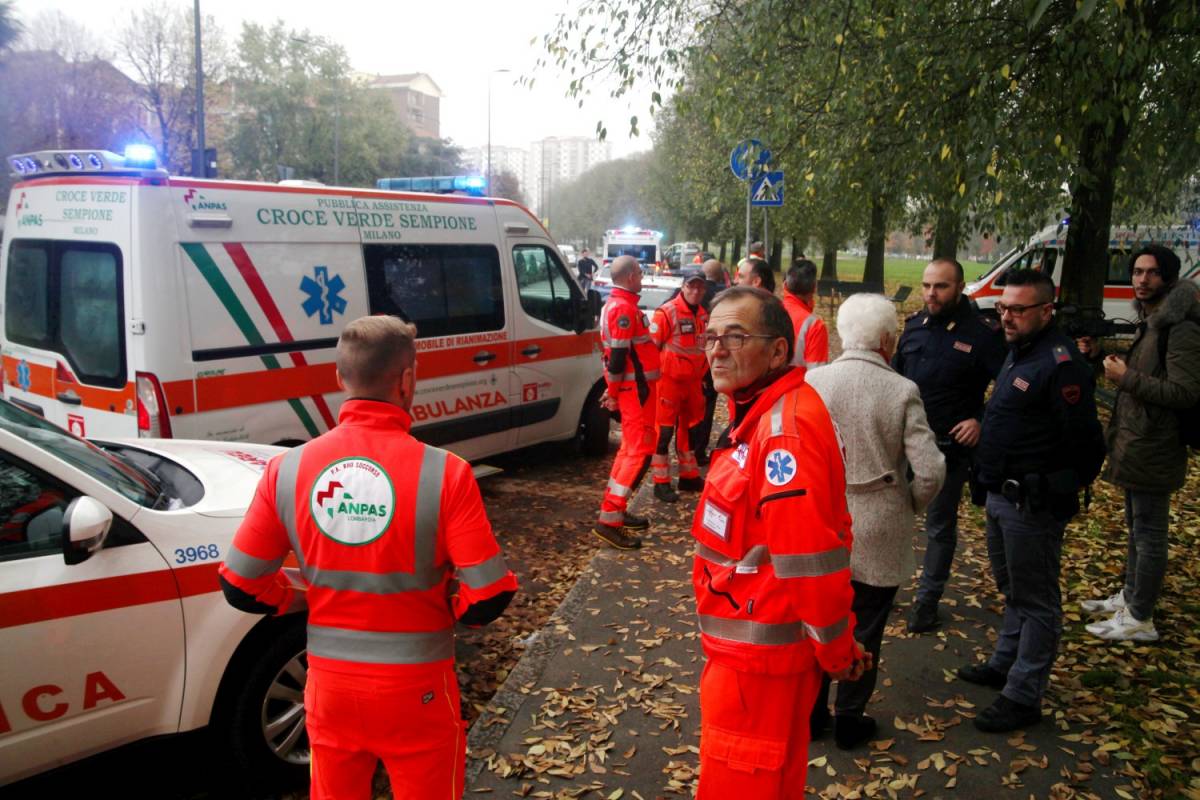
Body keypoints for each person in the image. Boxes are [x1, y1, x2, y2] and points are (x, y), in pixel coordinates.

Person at [217, 315, 518, 799]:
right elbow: (489, 596)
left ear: (340, 379)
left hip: (330, 687)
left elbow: (239, 584)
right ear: (407, 380)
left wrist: (294, 599)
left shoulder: (287, 470)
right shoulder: (447, 474)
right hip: (416, 690)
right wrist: (446, 607)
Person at [691, 285, 871, 798]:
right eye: (711, 337)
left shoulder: (782, 430)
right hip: (748, 654)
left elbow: (808, 560)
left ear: (777, 351)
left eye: (735, 336)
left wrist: (837, 654)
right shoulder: (759, 413)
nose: (717, 349)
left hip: (759, 667)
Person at [959, 270, 1105, 733]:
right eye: (1003, 308)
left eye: (1018, 310)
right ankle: (1005, 662)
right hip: (1003, 495)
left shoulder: (1061, 364)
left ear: (1047, 310)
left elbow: (1086, 444)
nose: (1007, 317)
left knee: (1037, 600)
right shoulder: (1019, 352)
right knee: (1014, 590)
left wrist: (1058, 490)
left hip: (1033, 503)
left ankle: (1024, 694)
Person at [806, 294, 946, 750]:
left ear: (844, 333)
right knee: (866, 625)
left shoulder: (813, 382)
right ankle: (850, 716)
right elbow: (930, 470)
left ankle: (809, 715)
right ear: (888, 339)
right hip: (880, 521)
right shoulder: (902, 390)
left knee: (816, 619)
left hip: (821, 521)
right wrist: (906, 503)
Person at [1084, 246, 1200, 642]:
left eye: (1151, 273)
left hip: (1157, 445)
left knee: (1149, 534)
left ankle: (1140, 617)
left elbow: (1186, 392)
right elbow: (1147, 368)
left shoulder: (1179, 326)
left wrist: (1125, 378)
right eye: (1136, 272)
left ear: (1168, 278)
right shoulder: (1152, 320)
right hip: (1137, 441)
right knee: (1136, 528)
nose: (1141, 280)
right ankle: (1131, 598)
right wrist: (1103, 356)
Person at [893, 258, 1006, 633]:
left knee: (939, 527)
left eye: (940, 286)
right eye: (926, 286)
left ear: (959, 287)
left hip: (947, 449)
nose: (930, 293)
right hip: (902, 444)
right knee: (893, 518)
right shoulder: (913, 328)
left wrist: (982, 421)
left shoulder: (983, 335)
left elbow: (1010, 389)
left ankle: (927, 601)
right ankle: (884, 585)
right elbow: (893, 381)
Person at [594, 255, 660, 549]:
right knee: (637, 451)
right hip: (637, 391)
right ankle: (609, 519)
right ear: (631, 275)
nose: (643, 278)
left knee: (629, 450)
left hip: (635, 390)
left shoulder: (619, 305)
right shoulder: (623, 308)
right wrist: (614, 392)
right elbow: (618, 359)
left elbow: (618, 357)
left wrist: (613, 390)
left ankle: (615, 511)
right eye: (641, 273)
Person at [648, 273, 709, 502]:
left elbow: (703, 348)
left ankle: (689, 475)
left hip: (693, 383)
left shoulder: (704, 315)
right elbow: (651, 350)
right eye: (691, 286)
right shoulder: (666, 312)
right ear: (683, 287)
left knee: (690, 430)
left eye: (700, 288)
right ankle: (660, 482)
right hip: (668, 383)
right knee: (663, 432)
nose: (695, 291)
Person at [690, 258, 730, 464]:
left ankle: (686, 448)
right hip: (710, 360)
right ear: (721, 275)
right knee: (706, 406)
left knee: (687, 408)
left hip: (687, 362)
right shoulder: (724, 297)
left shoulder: (691, 295)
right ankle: (699, 450)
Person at [782, 258, 830, 371]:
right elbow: (817, 374)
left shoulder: (767, 312)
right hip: (796, 387)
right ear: (814, 288)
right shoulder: (814, 326)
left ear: (785, 284)